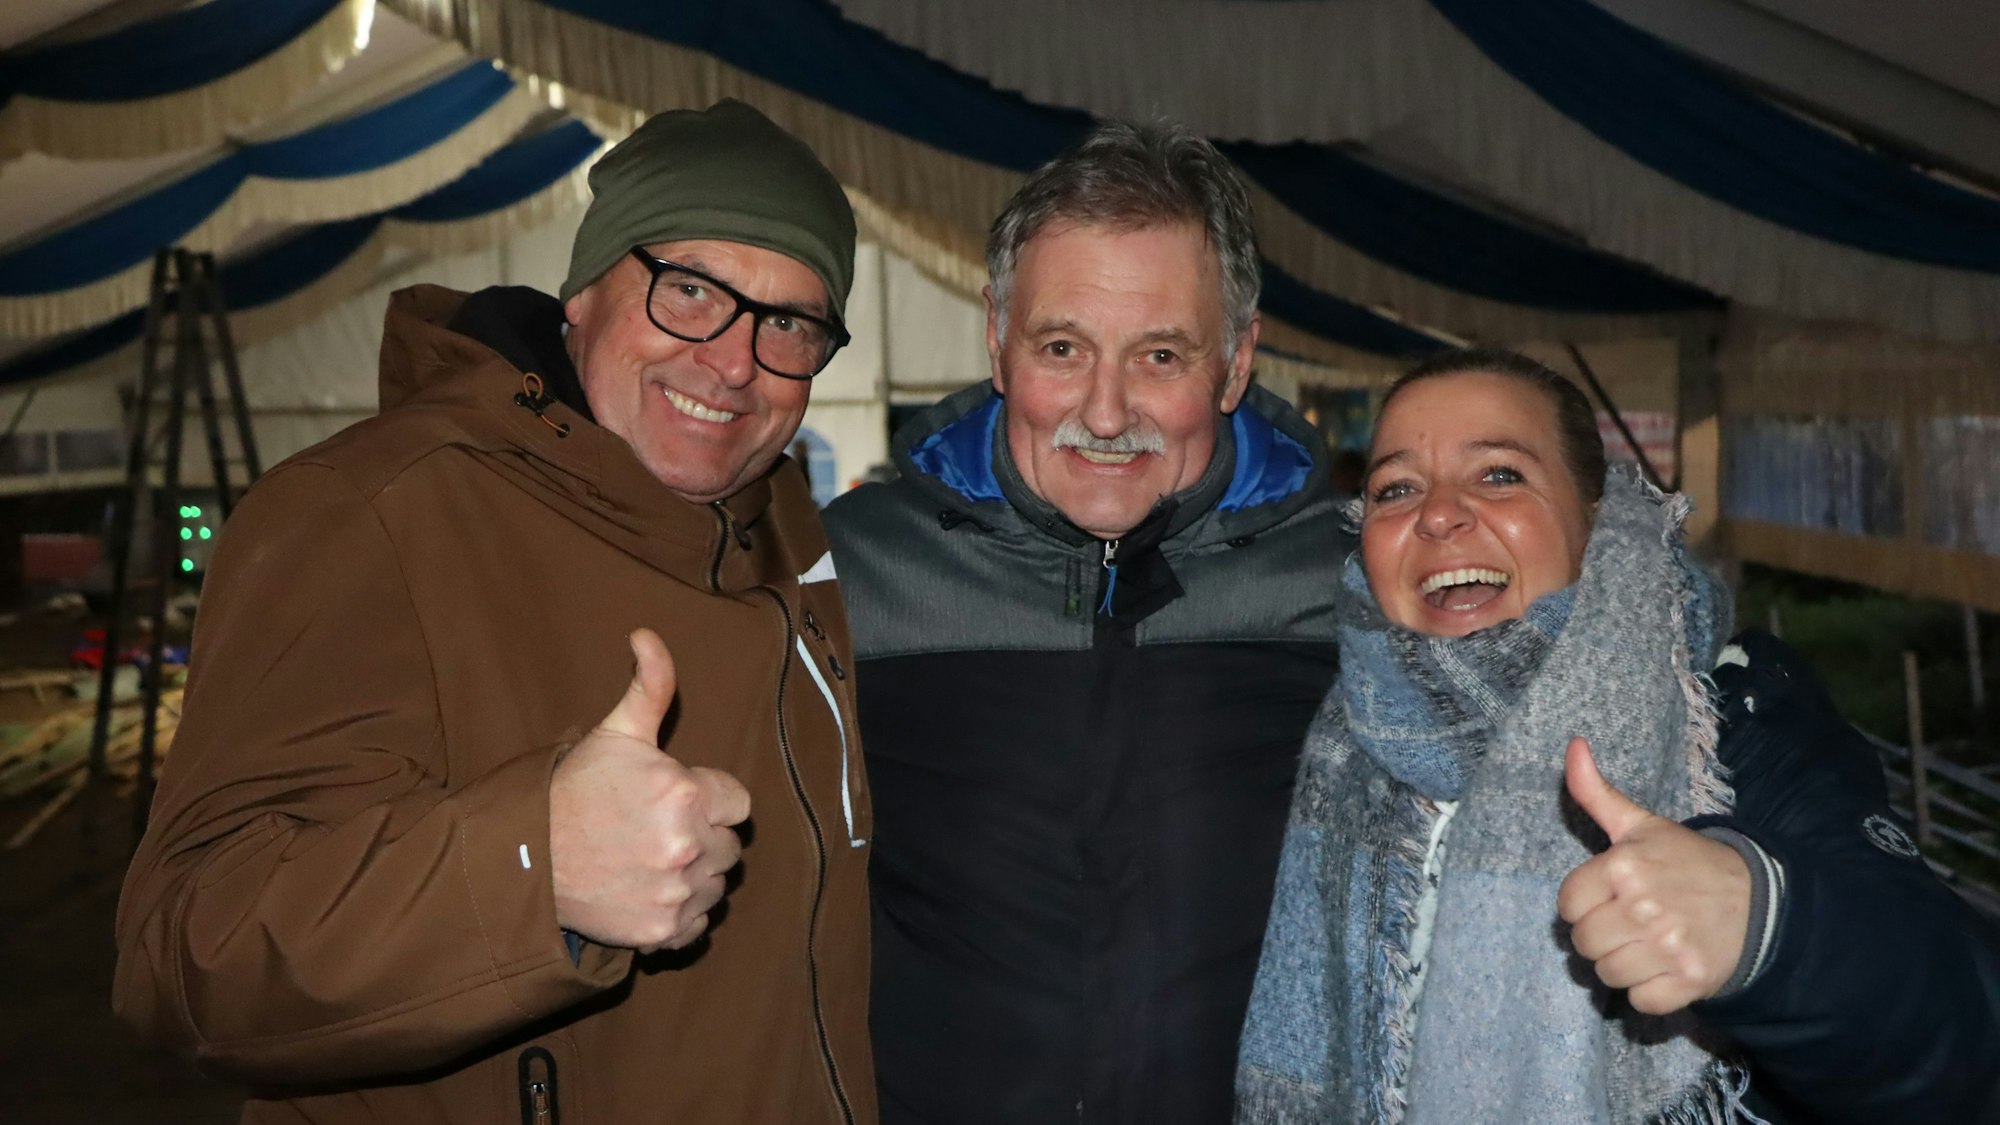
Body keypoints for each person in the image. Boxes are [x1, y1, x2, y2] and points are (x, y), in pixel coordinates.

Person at [113, 100, 877, 1125]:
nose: (733, 361)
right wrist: (533, 870)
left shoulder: (787, 524)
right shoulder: (370, 513)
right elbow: (184, 954)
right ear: (584, 294)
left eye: (787, 322)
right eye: (689, 290)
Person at [1236, 346, 2000, 1123]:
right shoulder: (1324, 738)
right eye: (1396, 487)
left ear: (1594, 521)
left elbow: (1968, 1042)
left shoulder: (1731, 715)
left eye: (1499, 473)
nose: (1437, 512)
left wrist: (1768, 928)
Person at [824, 121, 1349, 1122]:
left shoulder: (1350, 581)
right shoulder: (856, 569)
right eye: (1061, 348)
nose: (1104, 413)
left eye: (1159, 354)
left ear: (1234, 363)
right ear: (995, 337)